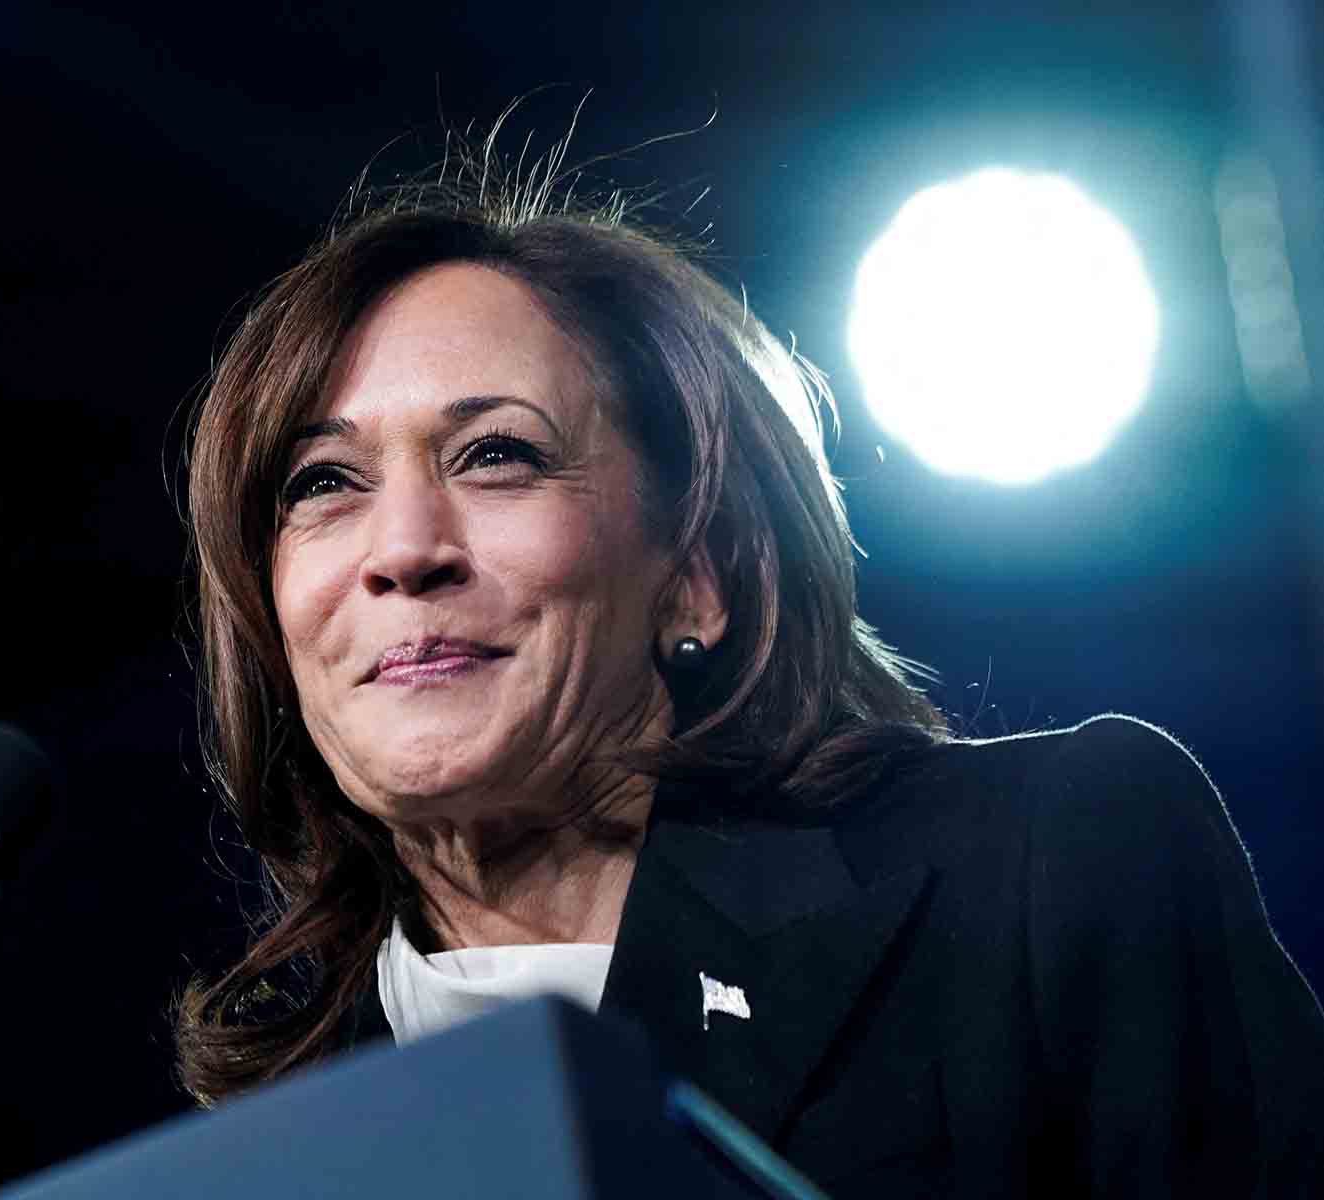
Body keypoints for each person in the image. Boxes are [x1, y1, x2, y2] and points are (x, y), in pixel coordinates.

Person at [173, 158, 1324, 1197]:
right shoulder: (265, 1145)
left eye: (496, 455)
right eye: (322, 484)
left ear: (698, 573)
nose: (401, 550)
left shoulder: (1049, 869)